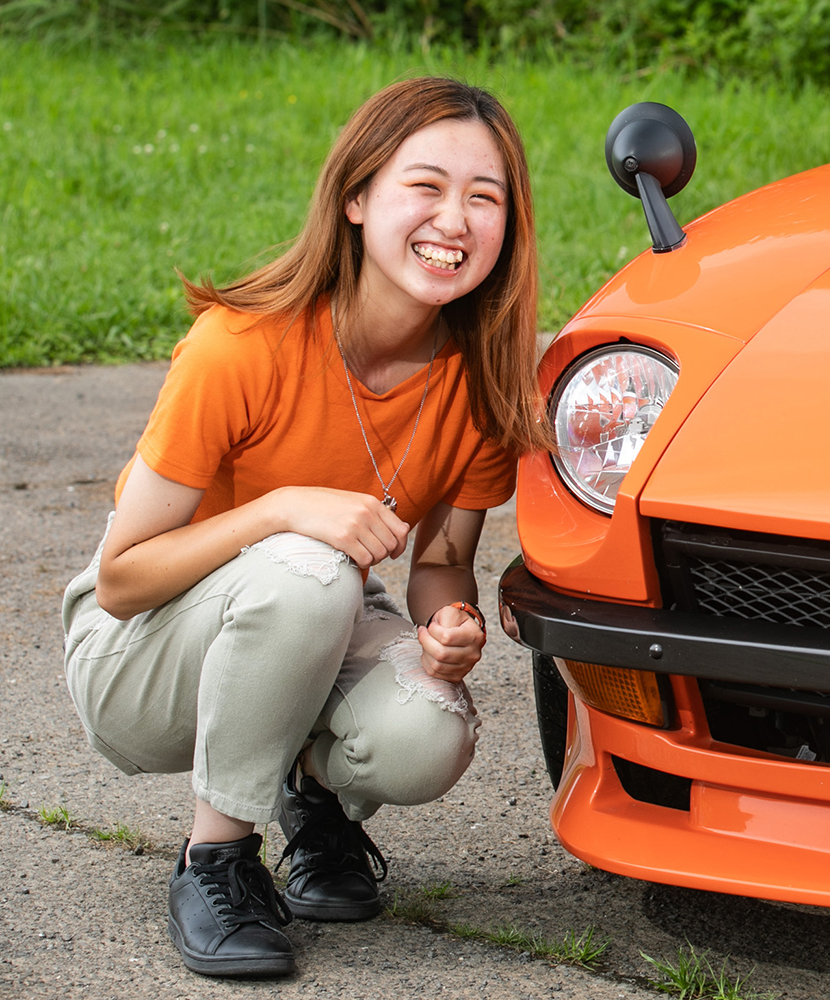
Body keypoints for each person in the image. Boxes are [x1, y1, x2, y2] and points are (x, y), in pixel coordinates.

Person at [59, 76, 548, 977]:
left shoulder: (480, 384)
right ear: (357, 197)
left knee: (427, 731)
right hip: (134, 657)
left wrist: (451, 627)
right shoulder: (241, 346)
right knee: (309, 569)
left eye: (486, 198)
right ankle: (215, 859)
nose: (456, 219)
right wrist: (283, 510)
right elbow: (123, 578)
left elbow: (441, 561)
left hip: (301, 623)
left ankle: (314, 798)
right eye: (426, 186)